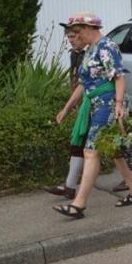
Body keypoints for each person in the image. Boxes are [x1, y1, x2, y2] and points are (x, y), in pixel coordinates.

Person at [53, 13, 132, 219]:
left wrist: (119, 105)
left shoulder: (107, 47)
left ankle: (78, 204)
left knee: (91, 152)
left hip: (108, 103)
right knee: (116, 150)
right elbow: (84, 84)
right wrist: (66, 108)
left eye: (78, 31)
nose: (75, 35)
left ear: (90, 28)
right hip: (96, 103)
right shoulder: (90, 51)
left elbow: (119, 77)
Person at [44, 25, 86, 200]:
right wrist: (71, 104)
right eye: (68, 37)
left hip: (99, 104)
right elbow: (75, 80)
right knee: (79, 144)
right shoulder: (74, 54)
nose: (70, 40)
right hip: (84, 104)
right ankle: (69, 186)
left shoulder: (93, 53)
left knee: (112, 147)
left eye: (72, 37)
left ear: (81, 35)